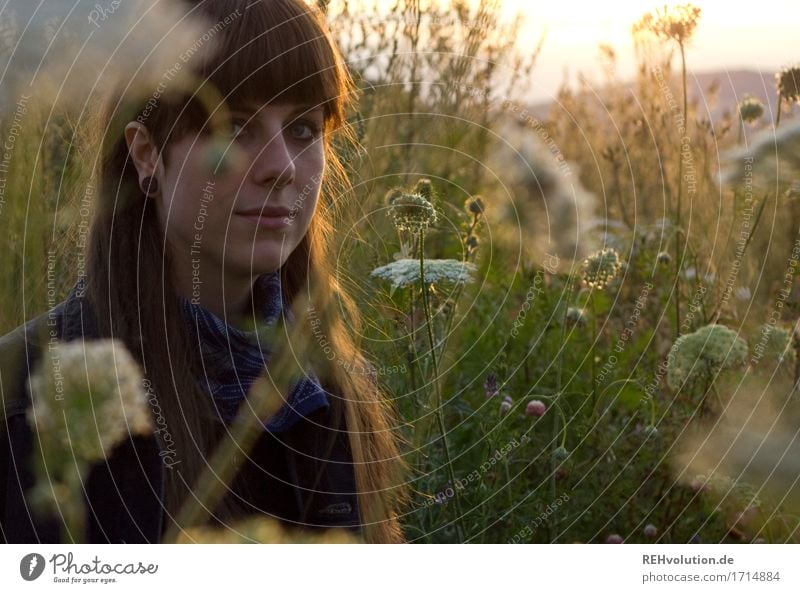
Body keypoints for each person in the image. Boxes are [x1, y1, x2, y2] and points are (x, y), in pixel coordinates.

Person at [0, 0, 404, 544]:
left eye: (304, 129)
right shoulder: (36, 398)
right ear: (146, 155)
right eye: (235, 126)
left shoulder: (330, 386)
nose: (282, 167)